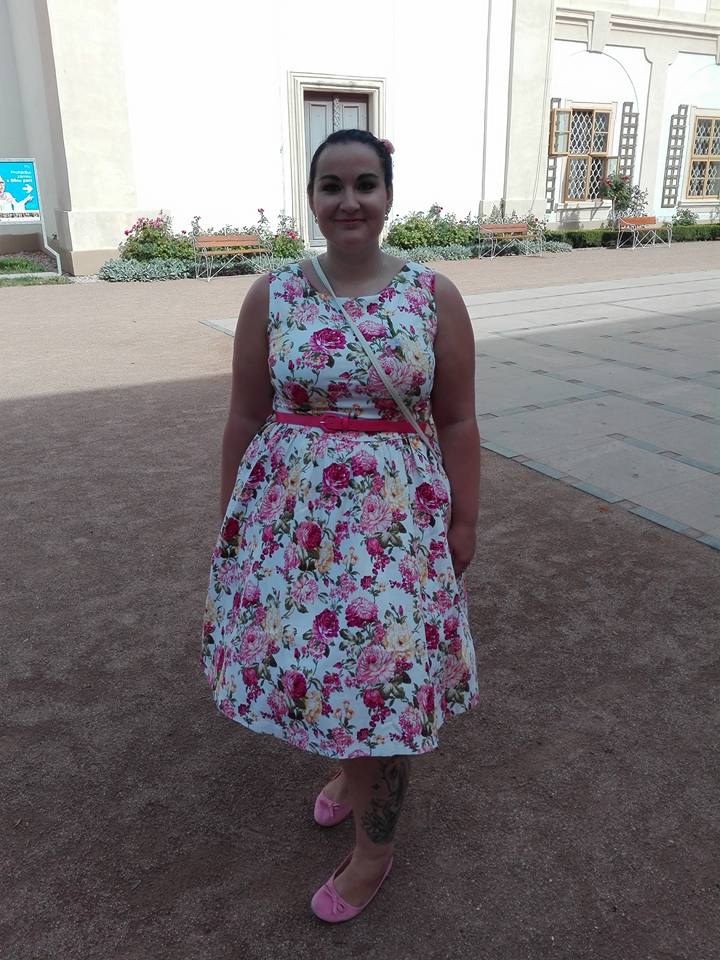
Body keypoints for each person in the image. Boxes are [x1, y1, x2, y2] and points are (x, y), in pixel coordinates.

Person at [201, 129, 480, 923]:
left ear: (388, 196)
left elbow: (457, 419)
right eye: (331, 185)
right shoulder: (273, 295)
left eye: (365, 184)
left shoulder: (432, 295)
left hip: (394, 529)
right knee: (321, 656)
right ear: (312, 199)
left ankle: (374, 852)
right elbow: (245, 415)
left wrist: (465, 520)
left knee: (383, 679)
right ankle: (350, 772)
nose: (349, 200)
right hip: (293, 523)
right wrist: (234, 521)